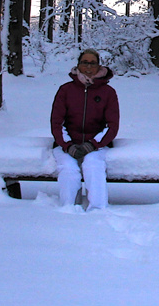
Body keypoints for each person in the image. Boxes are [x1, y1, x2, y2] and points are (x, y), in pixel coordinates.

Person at [50, 49, 119, 210]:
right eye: (84, 62)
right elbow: (56, 123)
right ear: (78, 65)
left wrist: (93, 144)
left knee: (93, 164)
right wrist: (67, 145)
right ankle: (69, 208)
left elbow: (112, 125)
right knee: (68, 168)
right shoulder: (65, 90)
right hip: (66, 144)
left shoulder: (108, 93)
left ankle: (98, 209)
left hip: (97, 145)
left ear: (99, 66)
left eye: (92, 63)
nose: (88, 67)